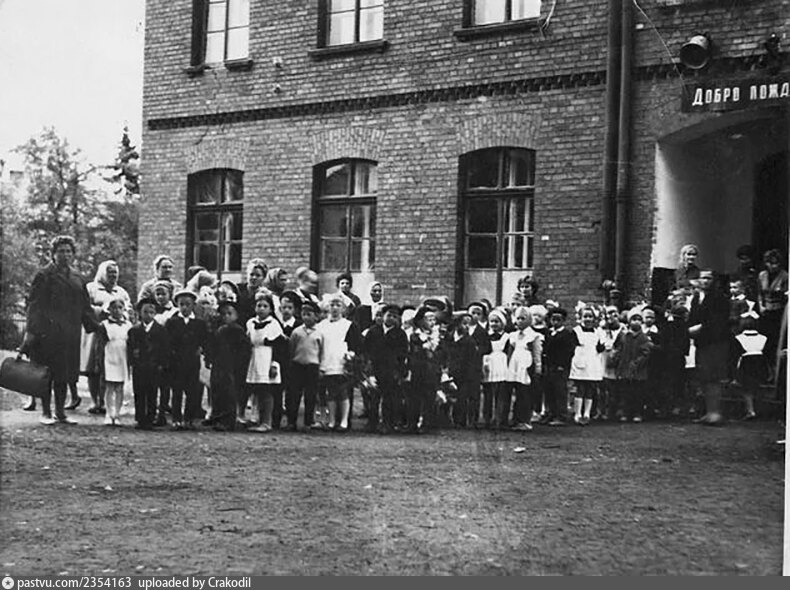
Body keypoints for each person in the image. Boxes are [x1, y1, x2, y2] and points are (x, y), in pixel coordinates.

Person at [19, 236, 98, 425]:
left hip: (70, 334)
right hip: (47, 334)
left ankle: (60, 412)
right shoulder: (44, 275)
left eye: (68, 251)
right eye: (61, 251)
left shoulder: (77, 278)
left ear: (73, 254)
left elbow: (85, 306)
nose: (65, 255)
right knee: (46, 374)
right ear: (53, 254)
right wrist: (31, 332)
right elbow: (34, 306)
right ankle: (46, 412)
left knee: (65, 374)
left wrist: (96, 326)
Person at [688, 269, 731, 426]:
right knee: (704, 377)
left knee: (714, 377)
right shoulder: (696, 298)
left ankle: (715, 412)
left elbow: (719, 322)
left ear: (714, 281)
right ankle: (708, 412)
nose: (705, 281)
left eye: (709, 278)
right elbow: (693, 317)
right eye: (703, 278)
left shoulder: (720, 298)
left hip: (715, 343)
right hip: (702, 343)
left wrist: (701, 328)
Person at [317, 293, 363, 432]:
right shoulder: (321, 326)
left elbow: (355, 345)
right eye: (332, 305)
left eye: (338, 305)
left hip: (342, 363)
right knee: (330, 393)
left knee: (343, 392)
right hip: (326, 361)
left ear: (343, 308)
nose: (335, 308)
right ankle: (331, 420)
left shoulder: (349, 325)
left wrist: (351, 356)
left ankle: (344, 421)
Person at [166, 289, 210, 430]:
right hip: (177, 361)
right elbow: (167, 342)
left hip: (192, 361)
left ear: (193, 305)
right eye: (182, 304)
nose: (184, 308)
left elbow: (204, 340)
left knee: (192, 391)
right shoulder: (172, 322)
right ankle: (176, 419)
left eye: (188, 304)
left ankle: (189, 418)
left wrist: (201, 349)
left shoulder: (199, 323)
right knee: (177, 390)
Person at [205, 300, 250, 431]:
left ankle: (227, 420)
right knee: (216, 390)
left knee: (229, 393)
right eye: (223, 314)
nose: (226, 317)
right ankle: (216, 417)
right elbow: (212, 345)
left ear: (236, 315)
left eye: (230, 314)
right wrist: (209, 358)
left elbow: (244, 350)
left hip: (231, 365)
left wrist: (239, 364)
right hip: (219, 364)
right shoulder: (219, 329)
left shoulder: (238, 330)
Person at [245, 292, 287, 433]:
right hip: (255, 357)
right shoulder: (251, 323)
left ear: (271, 309)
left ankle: (267, 421)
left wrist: (274, 364)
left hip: (267, 358)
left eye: (265, 306)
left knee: (267, 391)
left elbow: (279, 347)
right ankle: (258, 418)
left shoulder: (274, 324)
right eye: (259, 305)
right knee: (257, 390)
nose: (261, 309)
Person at [364, 304, 409, 433]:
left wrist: (399, 370)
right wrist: (368, 369)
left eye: (395, 316)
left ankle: (387, 423)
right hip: (375, 367)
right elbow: (366, 350)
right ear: (383, 316)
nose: (391, 318)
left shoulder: (400, 334)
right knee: (373, 397)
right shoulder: (373, 331)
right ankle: (372, 422)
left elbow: (403, 353)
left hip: (391, 369)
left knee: (389, 398)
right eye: (389, 315)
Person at [127, 298, 170, 430]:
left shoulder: (161, 330)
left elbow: (164, 348)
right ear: (140, 313)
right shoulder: (134, 330)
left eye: (151, 312)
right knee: (139, 392)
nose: (148, 315)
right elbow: (130, 347)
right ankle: (140, 418)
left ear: (155, 313)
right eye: (145, 312)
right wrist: (132, 361)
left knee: (152, 392)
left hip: (154, 366)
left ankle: (151, 417)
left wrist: (162, 364)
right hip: (139, 366)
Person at [286, 301, 324, 431]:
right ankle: (291, 422)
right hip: (298, 365)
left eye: (309, 314)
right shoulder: (297, 332)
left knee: (310, 395)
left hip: (312, 366)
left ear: (316, 316)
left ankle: (308, 422)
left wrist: (320, 367)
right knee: (294, 395)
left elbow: (321, 351)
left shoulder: (319, 333)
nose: (306, 317)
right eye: (304, 314)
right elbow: (292, 348)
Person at [96, 296, 133, 426]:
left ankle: (117, 414)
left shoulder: (128, 325)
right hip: (110, 356)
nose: (117, 310)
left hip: (122, 356)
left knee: (119, 387)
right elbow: (100, 344)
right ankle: (109, 413)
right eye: (114, 308)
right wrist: (99, 360)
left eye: (120, 308)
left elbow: (131, 343)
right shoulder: (104, 325)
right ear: (109, 309)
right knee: (109, 386)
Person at [505, 306, 542, 431]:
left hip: (526, 366)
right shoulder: (513, 335)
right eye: (518, 318)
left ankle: (525, 420)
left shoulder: (534, 336)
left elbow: (537, 353)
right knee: (517, 392)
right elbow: (510, 352)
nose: (520, 321)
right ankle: (516, 418)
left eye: (523, 318)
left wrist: (538, 368)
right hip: (515, 365)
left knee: (526, 393)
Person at [613, 308, 652, 423]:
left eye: (639, 319)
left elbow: (646, 353)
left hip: (638, 371)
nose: (636, 322)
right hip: (625, 369)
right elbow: (618, 348)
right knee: (626, 392)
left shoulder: (643, 337)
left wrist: (637, 363)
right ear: (629, 321)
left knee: (638, 393)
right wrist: (616, 359)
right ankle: (626, 412)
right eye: (634, 319)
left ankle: (637, 413)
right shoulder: (623, 335)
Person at [569, 307, 605, 425]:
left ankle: (587, 413)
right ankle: (578, 413)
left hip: (592, 362)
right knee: (580, 388)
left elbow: (600, 348)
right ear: (580, 318)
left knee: (590, 389)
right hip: (580, 361)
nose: (588, 319)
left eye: (590, 316)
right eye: (585, 316)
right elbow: (571, 347)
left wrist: (602, 343)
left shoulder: (598, 332)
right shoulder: (576, 331)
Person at [542, 307, 576, 426]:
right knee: (549, 390)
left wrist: (562, 365)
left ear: (563, 321)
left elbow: (569, 352)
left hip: (560, 367)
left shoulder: (567, 334)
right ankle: (550, 413)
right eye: (553, 319)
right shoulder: (549, 333)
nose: (555, 322)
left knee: (560, 391)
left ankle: (561, 415)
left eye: (558, 320)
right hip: (549, 366)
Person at [758, 249, 788, 382]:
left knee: (775, 341)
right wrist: (761, 306)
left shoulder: (785, 276)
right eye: (770, 263)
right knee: (764, 342)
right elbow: (759, 293)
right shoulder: (762, 275)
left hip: (778, 312)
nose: (773, 266)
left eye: (775, 263)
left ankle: (775, 372)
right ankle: (766, 371)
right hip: (765, 311)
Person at [731, 311, 768, 420]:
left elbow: (735, 355)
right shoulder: (763, 338)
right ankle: (759, 409)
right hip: (760, 363)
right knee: (757, 386)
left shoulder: (738, 338)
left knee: (746, 389)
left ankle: (750, 410)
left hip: (746, 363)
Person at [482, 308, 510, 429]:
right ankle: (487, 418)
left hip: (501, 364)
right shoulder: (486, 336)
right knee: (488, 394)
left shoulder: (507, 337)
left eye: (497, 322)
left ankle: (500, 419)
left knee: (501, 393)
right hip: (489, 363)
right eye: (492, 321)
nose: (494, 324)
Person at [466, 302, 492, 428]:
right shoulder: (462, 328)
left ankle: (473, 419)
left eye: (478, 314)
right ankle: (460, 418)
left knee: (474, 393)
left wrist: (476, 350)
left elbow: (487, 348)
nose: (475, 316)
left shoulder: (482, 332)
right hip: (462, 364)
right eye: (473, 313)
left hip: (475, 365)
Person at [237, 258, 268, 325]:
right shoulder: (238, 290)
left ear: (264, 277)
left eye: (258, 275)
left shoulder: (265, 295)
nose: (254, 278)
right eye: (251, 274)